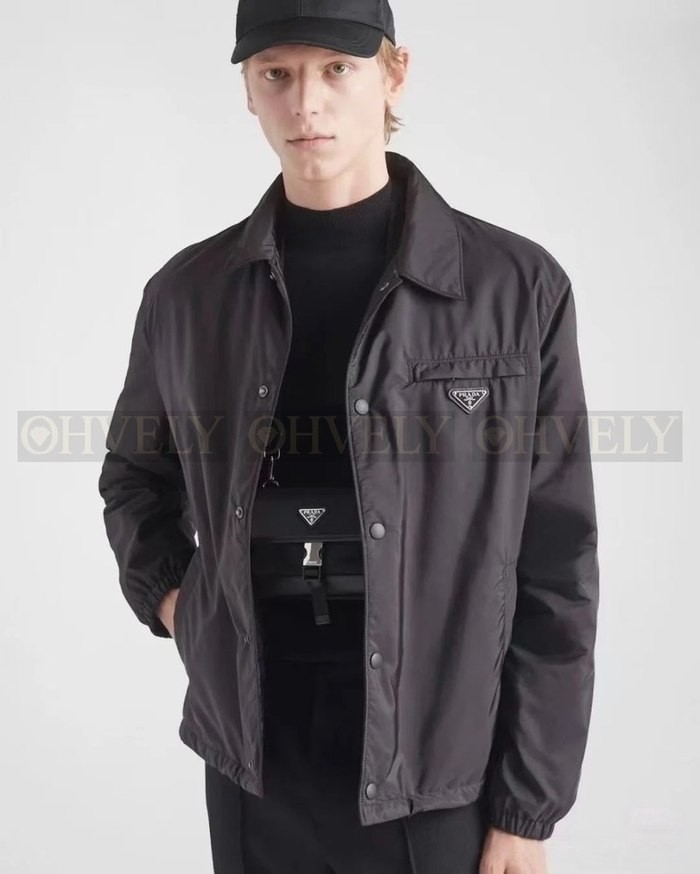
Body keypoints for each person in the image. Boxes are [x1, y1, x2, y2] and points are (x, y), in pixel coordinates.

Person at [98, 1, 600, 872]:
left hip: (439, 782)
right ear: (247, 90)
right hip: (255, 767)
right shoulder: (187, 296)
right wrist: (180, 602)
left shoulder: (516, 291)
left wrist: (527, 808)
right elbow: (135, 476)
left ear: (394, 73)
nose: (306, 103)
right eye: (277, 75)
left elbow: (558, 559)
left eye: (337, 68)